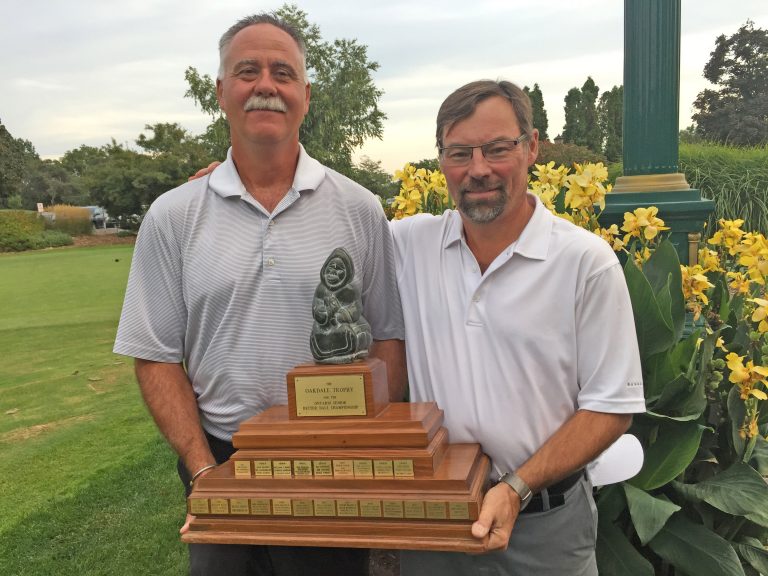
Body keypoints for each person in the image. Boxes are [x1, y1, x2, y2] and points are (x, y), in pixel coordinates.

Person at [113, 13, 404, 576]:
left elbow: (388, 336)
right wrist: (202, 469)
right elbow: (155, 354)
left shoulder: (359, 208)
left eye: (283, 72)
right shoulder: (172, 216)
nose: (266, 85)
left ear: (305, 95)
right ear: (221, 92)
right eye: (247, 72)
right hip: (221, 460)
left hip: (330, 465)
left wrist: (360, 449)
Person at [390, 80, 646, 575]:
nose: (478, 168)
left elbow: (611, 407)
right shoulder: (407, 246)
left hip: (544, 528)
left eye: (497, 148)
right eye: (459, 152)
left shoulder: (584, 262)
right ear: (440, 161)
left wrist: (516, 487)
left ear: (530, 148)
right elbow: (326, 222)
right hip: (436, 523)